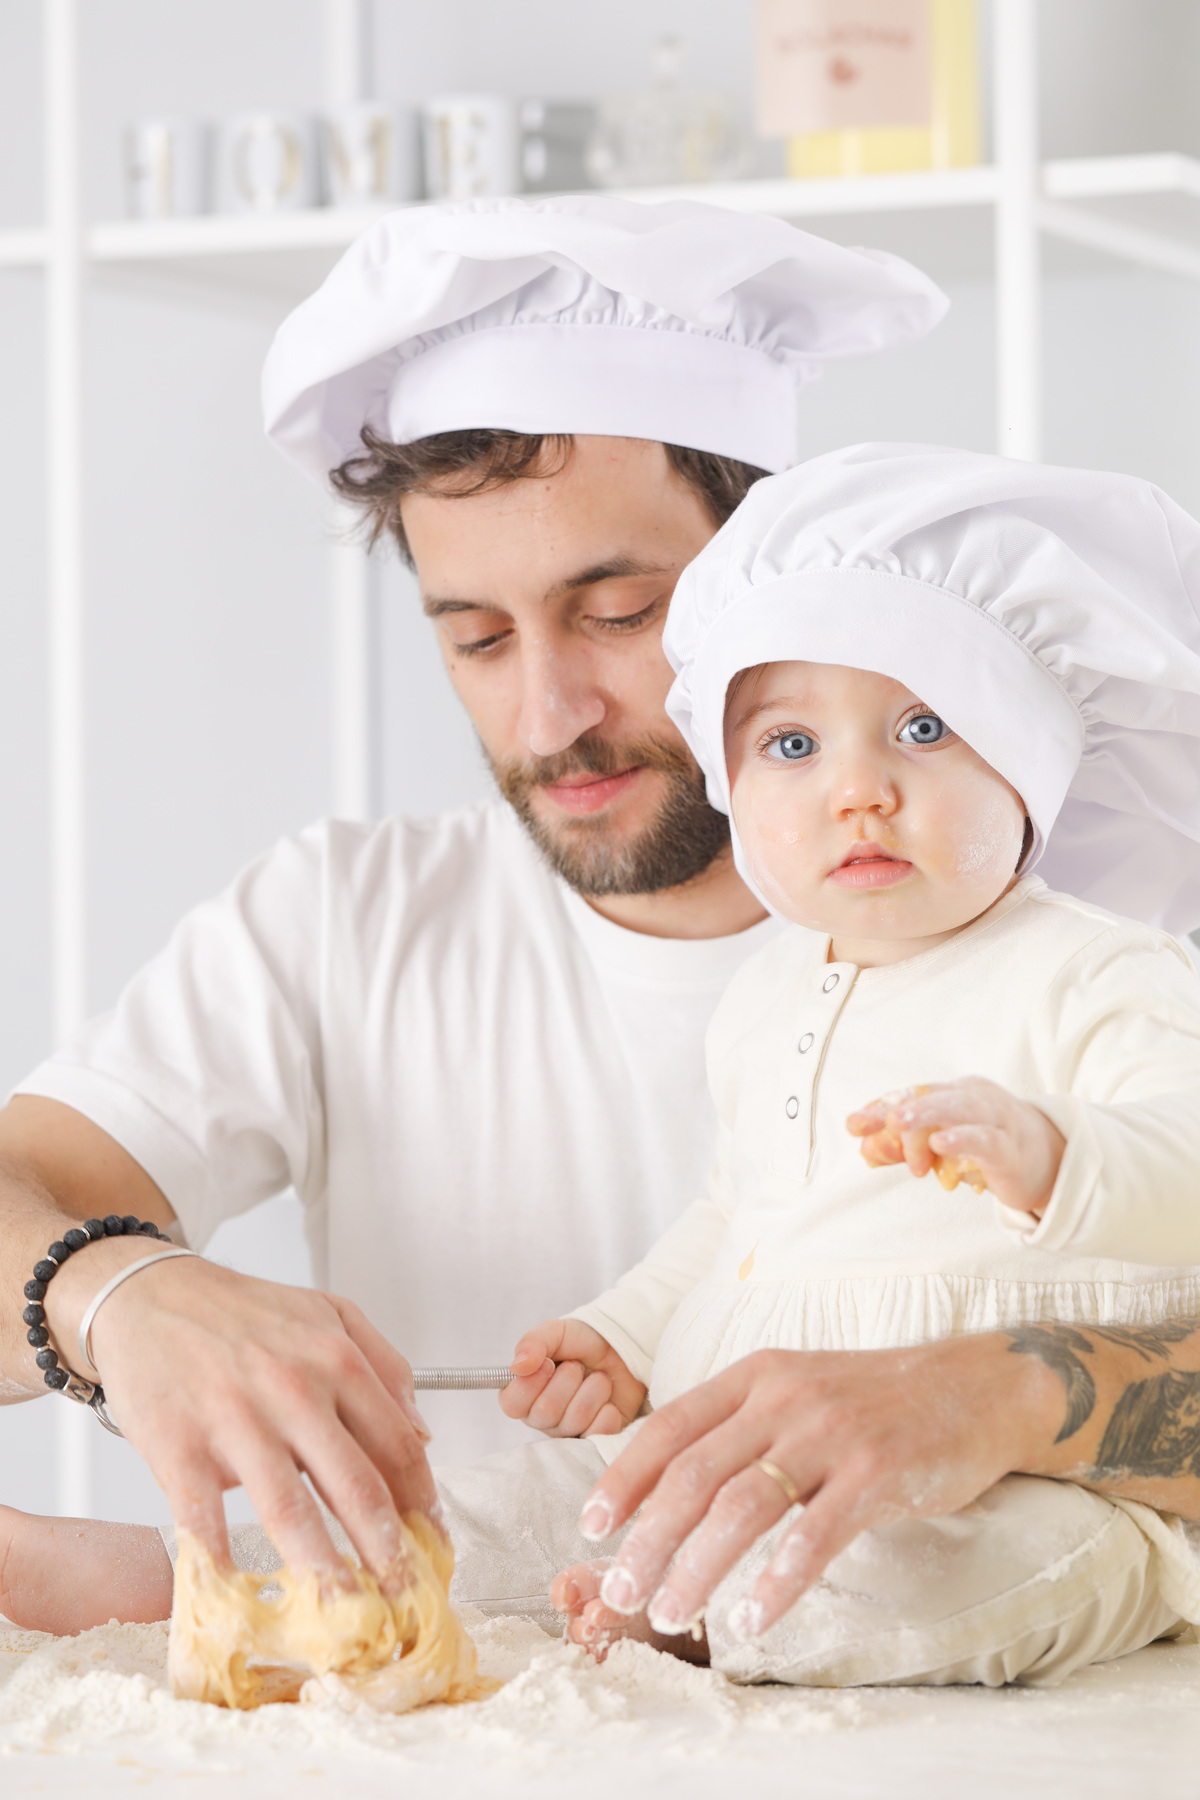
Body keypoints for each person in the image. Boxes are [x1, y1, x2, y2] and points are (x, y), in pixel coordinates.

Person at [7, 443, 1200, 1690]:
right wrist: (625, 1332)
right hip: (714, 1444)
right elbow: (730, 1214)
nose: (859, 791)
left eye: (624, 614)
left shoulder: (1097, 969)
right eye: (794, 744)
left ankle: (702, 1615)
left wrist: (1059, 1172)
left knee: (915, 1568)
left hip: (1015, 1490)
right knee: (525, 1505)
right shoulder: (765, 989)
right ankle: (181, 1573)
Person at [0, 195, 957, 1618]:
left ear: (776, 569)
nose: (549, 715)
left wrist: (1001, 1397)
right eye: (479, 638)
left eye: (620, 614)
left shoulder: (1032, 930)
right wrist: (113, 1291)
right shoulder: (346, 921)